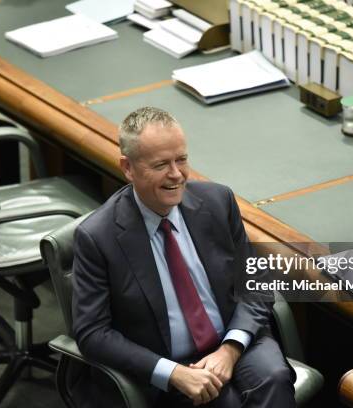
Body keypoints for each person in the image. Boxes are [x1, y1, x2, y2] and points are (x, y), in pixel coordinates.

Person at [71, 107, 296, 407]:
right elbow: (92, 333)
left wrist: (230, 349)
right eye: (161, 164)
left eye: (182, 159)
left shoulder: (218, 202)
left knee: (274, 377)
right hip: (168, 361)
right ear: (128, 167)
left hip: (233, 338)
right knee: (224, 402)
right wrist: (172, 372)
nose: (176, 175)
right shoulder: (97, 237)